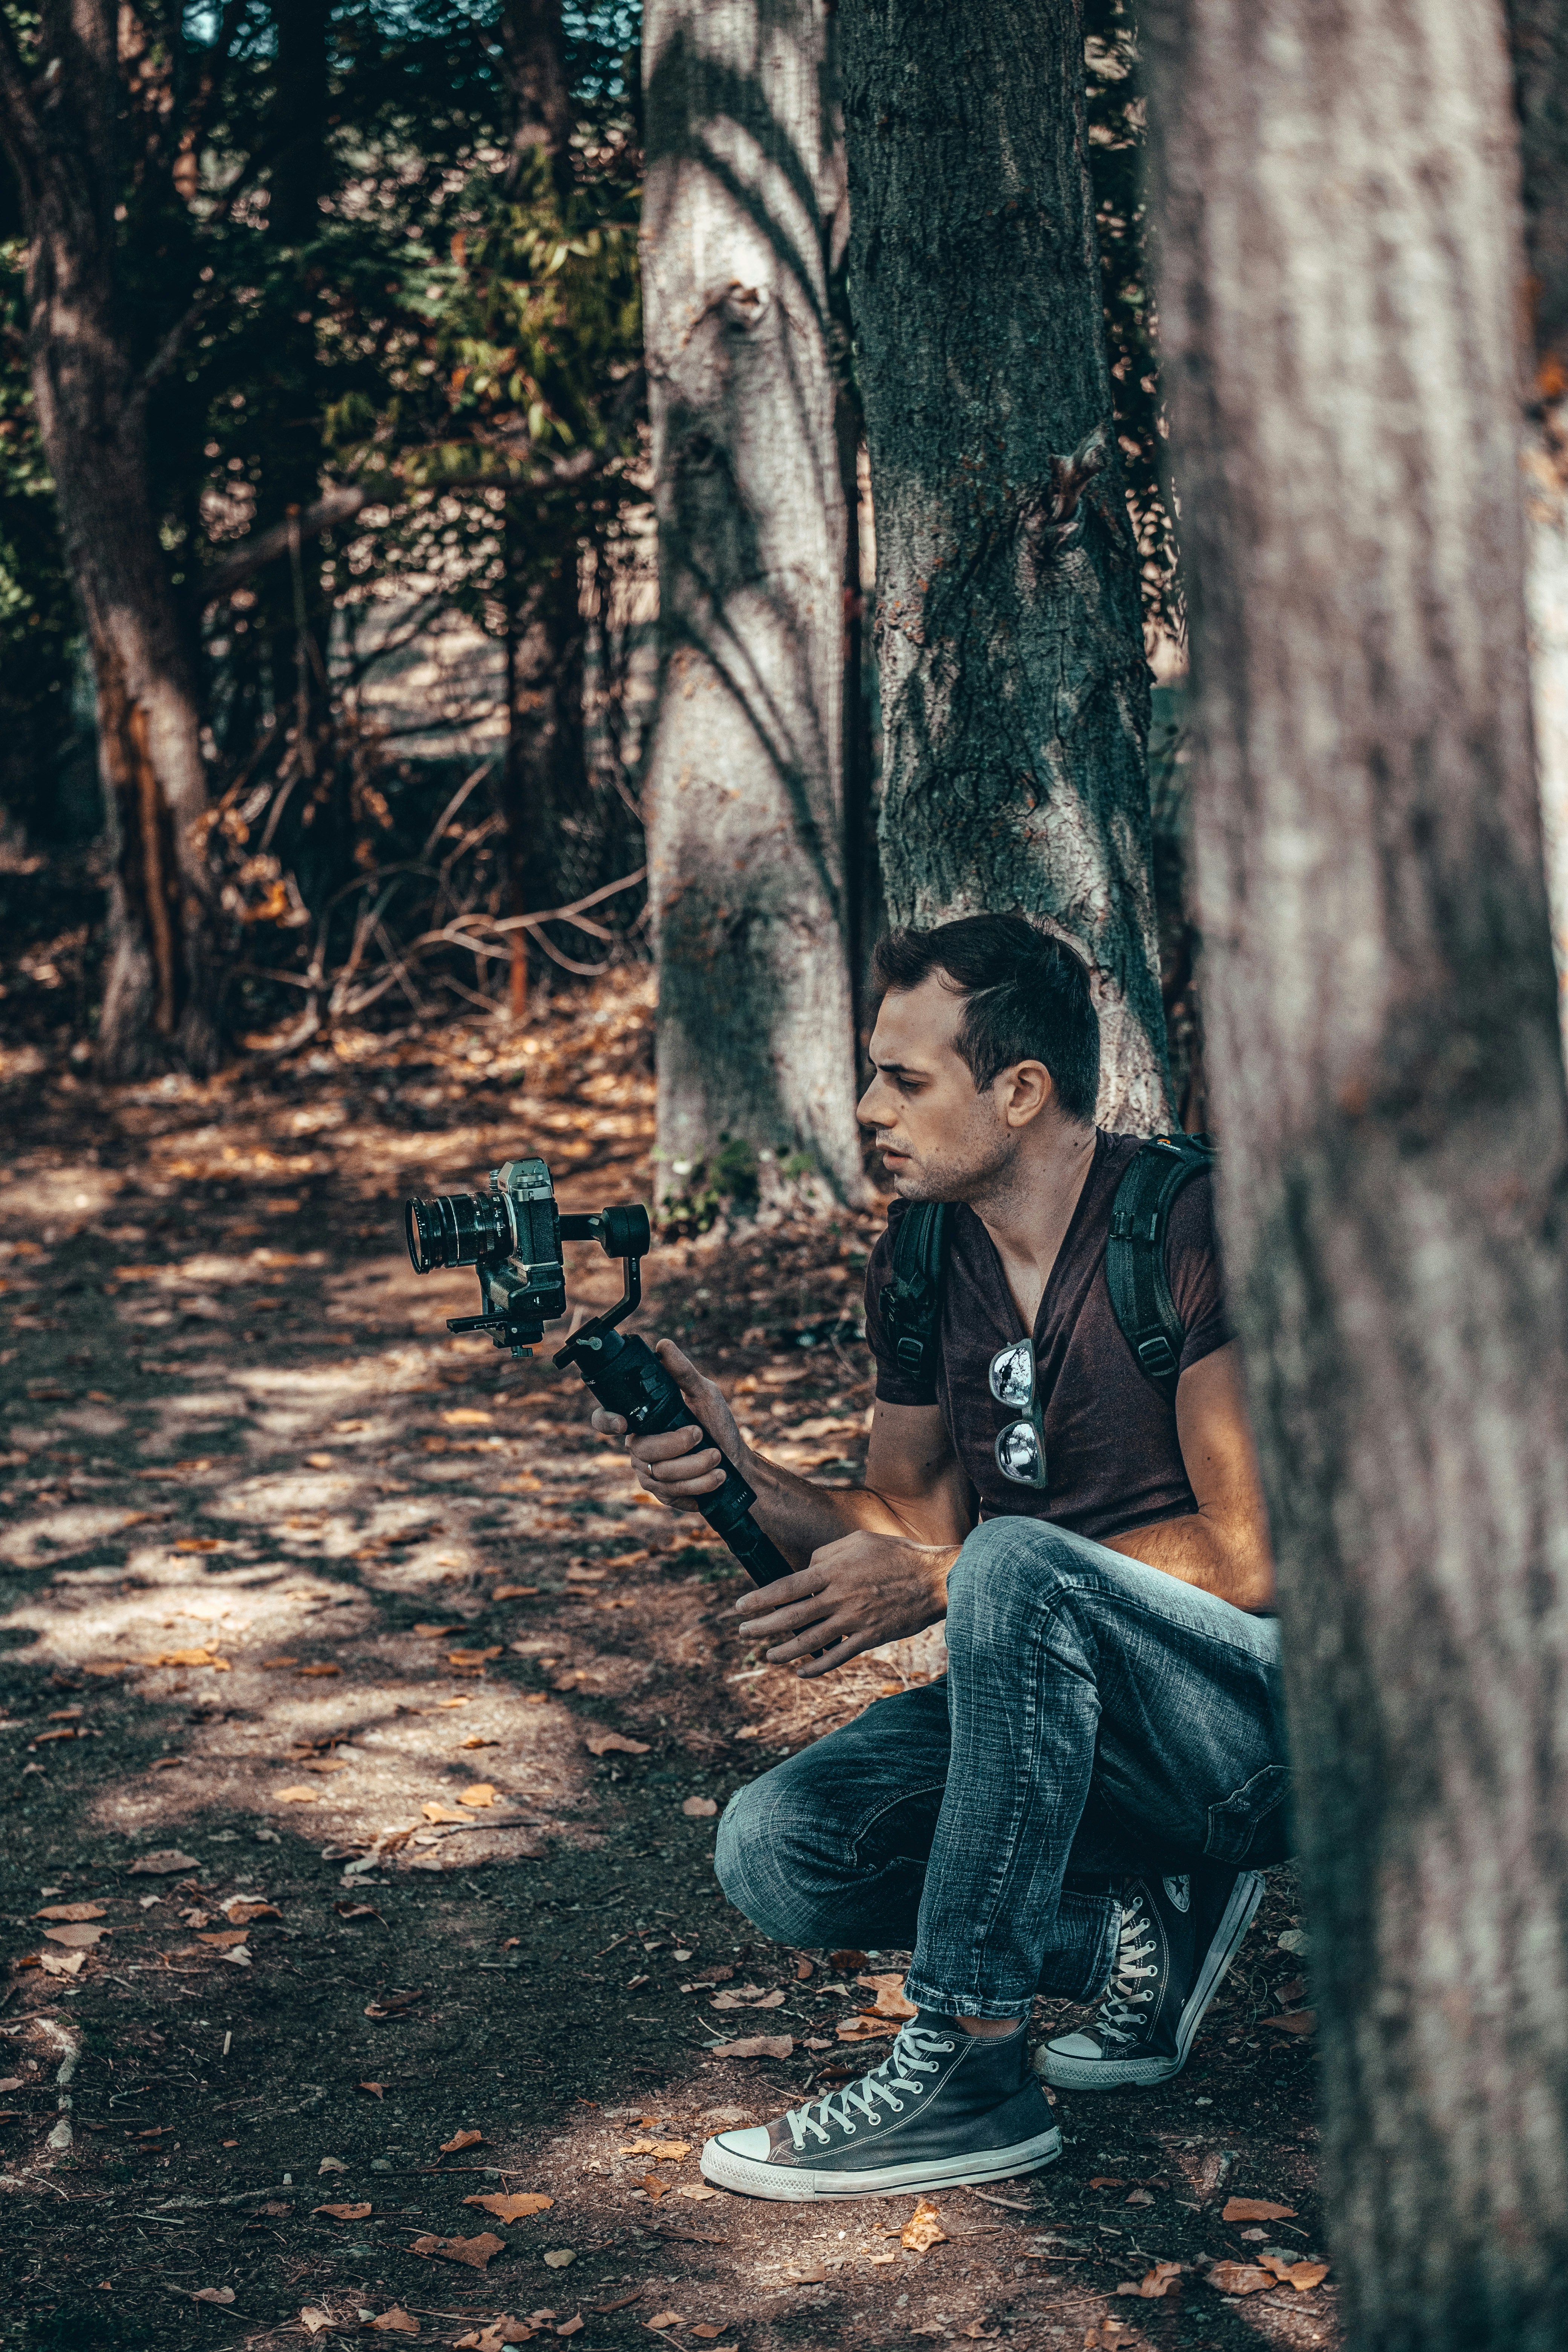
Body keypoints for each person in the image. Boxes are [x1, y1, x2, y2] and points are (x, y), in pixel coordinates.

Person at [591, 914, 1289, 2202]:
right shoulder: (923, 1254)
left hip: (1248, 1734)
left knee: (1011, 1563)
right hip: (1058, 1722)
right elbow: (910, 1517)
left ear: (1020, 1091)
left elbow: (1250, 1554)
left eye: (905, 1080)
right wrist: (741, 1473)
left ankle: (971, 2071)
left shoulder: (1191, 1224)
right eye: (875, 1075)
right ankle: (1136, 1936)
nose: (869, 1109)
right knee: (779, 1845)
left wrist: (956, 1576)